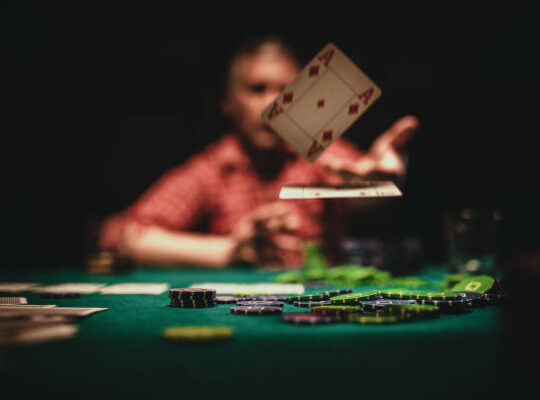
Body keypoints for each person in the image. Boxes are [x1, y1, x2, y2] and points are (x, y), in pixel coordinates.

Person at [98, 37, 419, 268]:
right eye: (256, 89)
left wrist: (380, 181)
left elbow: (364, 194)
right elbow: (119, 236)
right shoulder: (211, 168)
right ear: (228, 103)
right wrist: (229, 251)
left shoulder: (321, 152)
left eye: (285, 90)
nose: (272, 104)